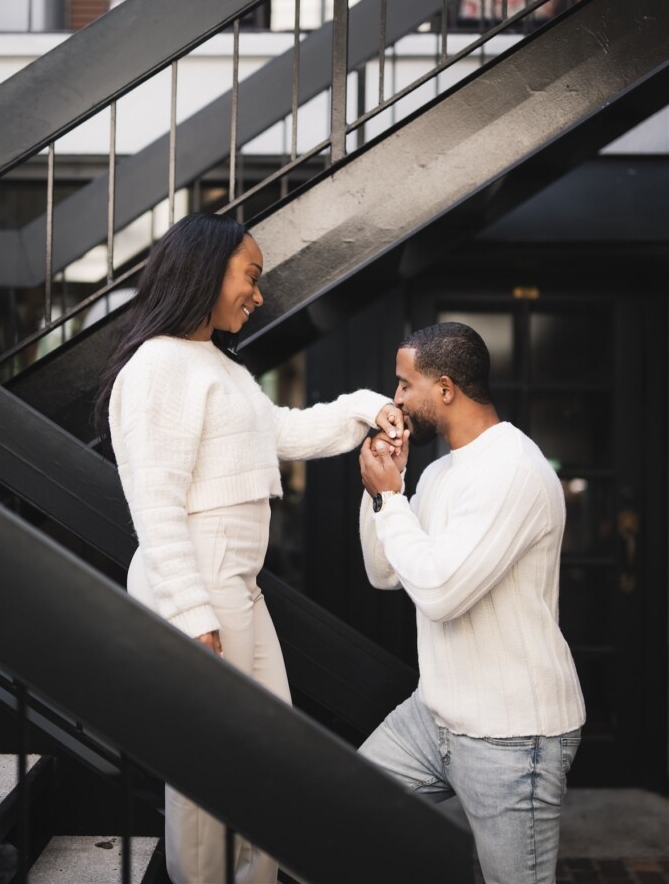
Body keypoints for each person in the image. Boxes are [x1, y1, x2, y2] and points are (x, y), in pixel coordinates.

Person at [95, 211, 402, 884]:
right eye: (251, 276)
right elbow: (154, 503)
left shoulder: (221, 367)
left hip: (237, 584)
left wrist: (365, 408)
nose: (258, 294)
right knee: (207, 780)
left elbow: (286, 430)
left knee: (272, 760)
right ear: (204, 270)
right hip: (196, 583)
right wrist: (191, 610)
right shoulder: (156, 366)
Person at [357, 321, 585, 884]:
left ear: (446, 388)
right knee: (340, 805)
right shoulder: (439, 472)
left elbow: (439, 593)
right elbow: (387, 572)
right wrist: (385, 492)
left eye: (405, 384)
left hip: (514, 734)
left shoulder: (511, 471)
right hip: (435, 716)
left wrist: (391, 498)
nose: (396, 400)